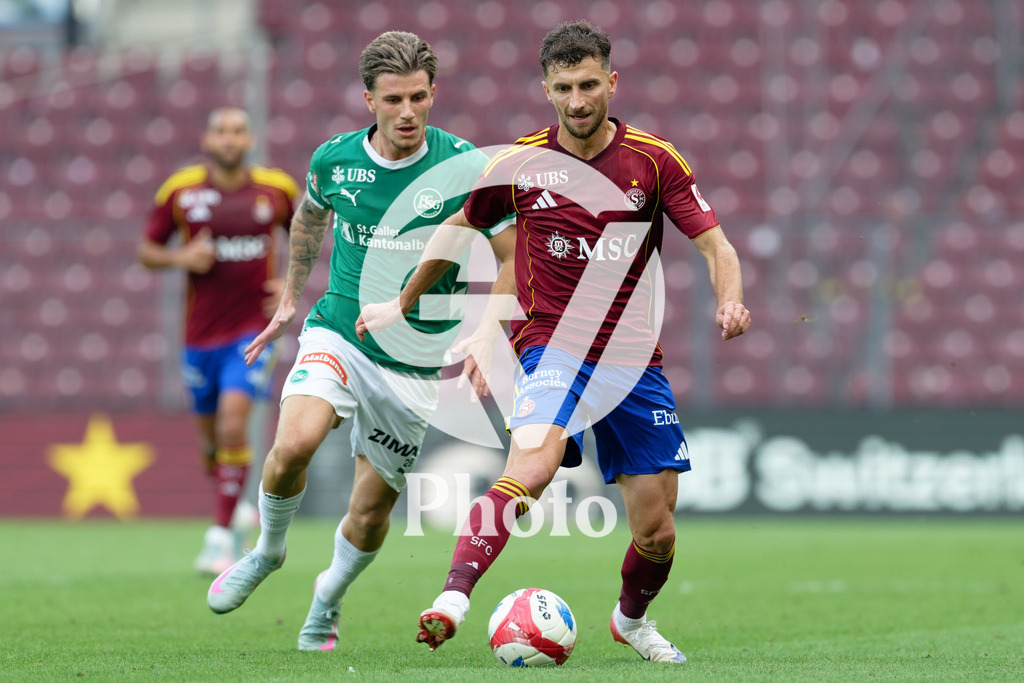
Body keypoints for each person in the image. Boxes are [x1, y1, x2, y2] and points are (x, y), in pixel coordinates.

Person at [357, 20, 751, 663]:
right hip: (551, 348)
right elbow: (459, 230)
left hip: (633, 363)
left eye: (589, 84)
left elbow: (715, 243)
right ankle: (453, 598)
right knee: (532, 468)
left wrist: (730, 297)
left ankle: (631, 620)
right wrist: (401, 303)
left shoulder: (654, 161)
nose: (577, 100)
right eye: (564, 87)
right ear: (546, 88)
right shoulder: (518, 165)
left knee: (657, 530)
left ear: (612, 82)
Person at [204, 31, 516, 652]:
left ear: (433, 95)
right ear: (368, 98)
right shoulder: (333, 160)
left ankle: (326, 601)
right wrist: (292, 294)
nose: (408, 112)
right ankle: (266, 550)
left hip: (414, 363)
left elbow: (511, 253)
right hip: (339, 332)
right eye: (394, 99)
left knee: (371, 514)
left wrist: (486, 328)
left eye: (419, 98)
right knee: (292, 443)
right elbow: (310, 215)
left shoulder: (468, 168)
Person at [139, 107, 299, 575]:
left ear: (249, 139)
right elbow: (146, 251)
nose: (230, 140)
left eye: (238, 131)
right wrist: (182, 256)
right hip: (199, 336)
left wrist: (289, 286)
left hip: (254, 331)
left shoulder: (277, 190)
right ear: (207, 141)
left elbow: (308, 237)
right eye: (221, 132)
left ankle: (220, 538)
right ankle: (235, 504)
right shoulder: (181, 191)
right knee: (212, 445)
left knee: (234, 423)